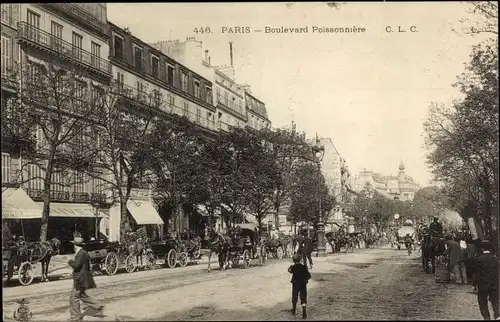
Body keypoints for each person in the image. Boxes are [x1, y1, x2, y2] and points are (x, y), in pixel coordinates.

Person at [69, 236, 105, 321]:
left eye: (73, 245)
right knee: (81, 295)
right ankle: (98, 305)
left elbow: (76, 265)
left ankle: (76, 317)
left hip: (81, 279)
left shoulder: (81, 253)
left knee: (73, 297)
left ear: (75, 245)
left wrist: (69, 261)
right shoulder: (82, 252)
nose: (73, 247)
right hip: (82, 278)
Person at [472, 240, 499, 320]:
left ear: (482, 249)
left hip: (482, 284)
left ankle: (486, 317)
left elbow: (476, 274)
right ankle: (497, 315)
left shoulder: (478, 259)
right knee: (495, 301)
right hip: (494, 283)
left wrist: (474, 284)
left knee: (482, 301)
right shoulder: (496, 259)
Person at [288, 254, 311, 319]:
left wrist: (291, 267)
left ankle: (294, 310)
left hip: (295, 284)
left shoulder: (293, 267)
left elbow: (289, 270)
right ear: (300, 260)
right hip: (303, 285)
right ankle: (304, 313)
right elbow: (309, 276)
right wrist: (305, 280)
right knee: (303, 297)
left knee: (294, 296)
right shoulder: (304, 267)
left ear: (293, 261)